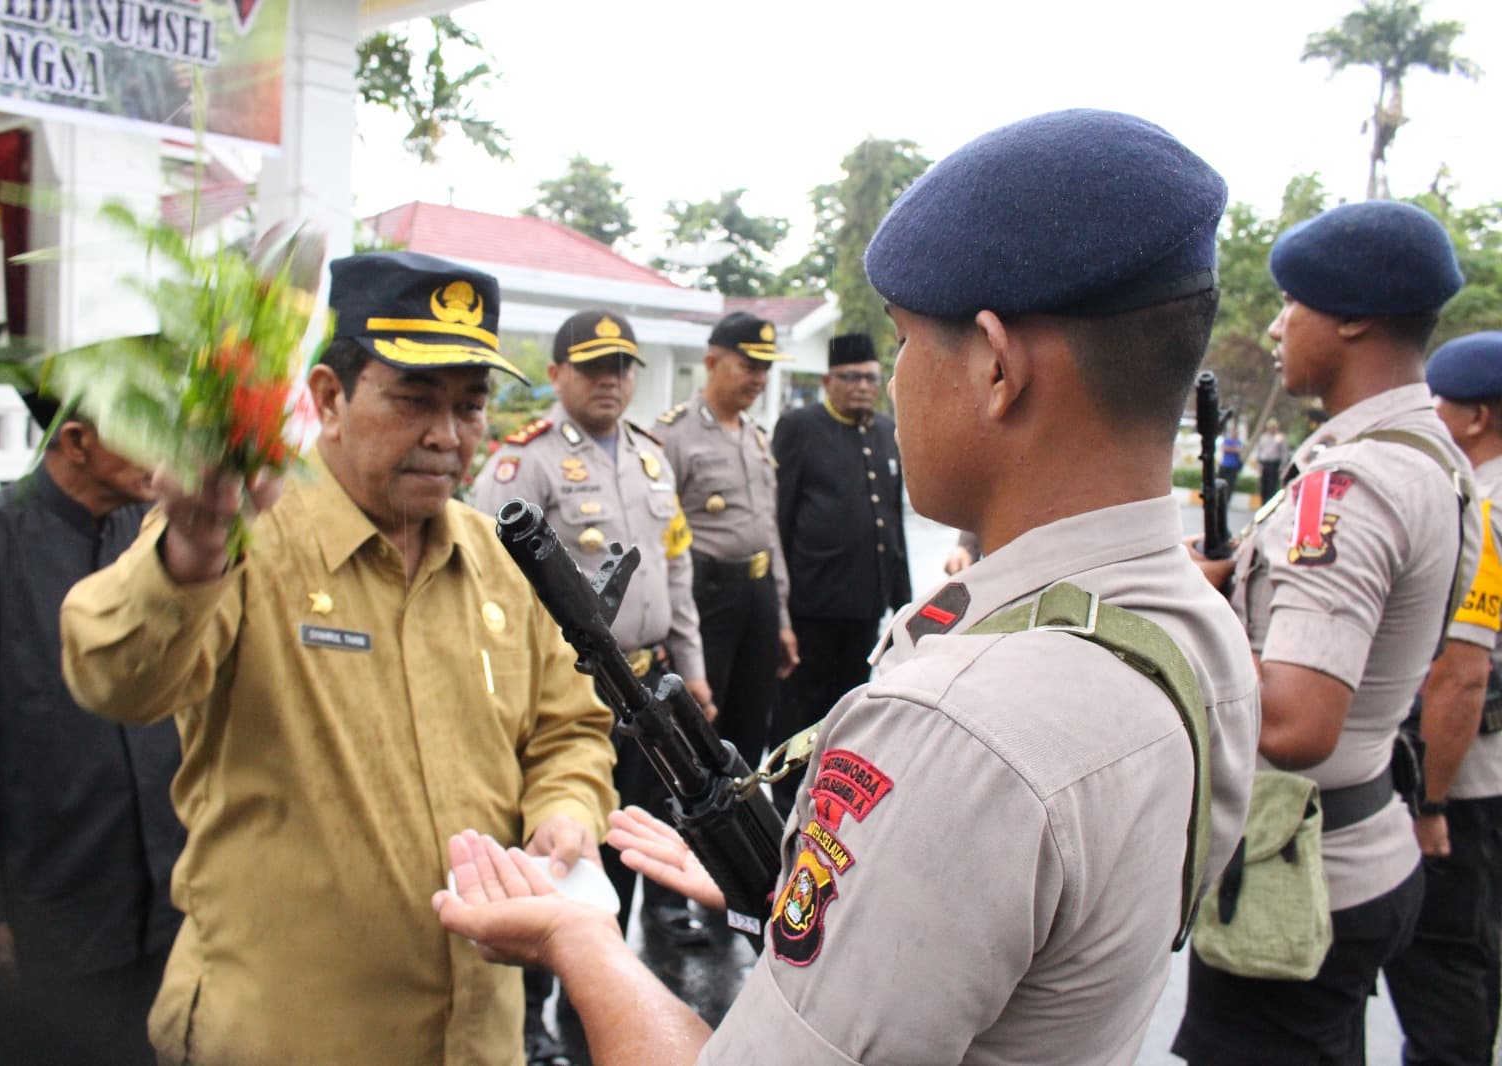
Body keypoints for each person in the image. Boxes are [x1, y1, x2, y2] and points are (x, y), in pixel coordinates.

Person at [433, 108, 1260, 1065]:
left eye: (908, 342)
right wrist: (823, 889)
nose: (894, 380)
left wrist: (580, 938)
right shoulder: (1194, 628)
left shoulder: (958, 728)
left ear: (996, 367)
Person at [59, 252, 618, 1066]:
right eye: (414, 400)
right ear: (328, 398)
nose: (447, 436)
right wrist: (188, 551)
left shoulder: (501, 566)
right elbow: (115, 677)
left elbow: (569, 729)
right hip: (287, 1036)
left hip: (477, 1035)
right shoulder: (242, 541)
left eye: (470, 406)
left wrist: (565, 812)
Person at [1173, 200, 1474, 1065]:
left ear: (1351, 317)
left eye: (1291, 303)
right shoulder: (1433, 460)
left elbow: (1297, 725)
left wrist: (1192, 615)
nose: (1274, 326)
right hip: (1363, 841)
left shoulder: (1347, 486)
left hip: (1300, 879)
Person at [471, 308, 712, 1057]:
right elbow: (490, 591)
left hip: (650, 690)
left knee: (637, 845)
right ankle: (536, 1024)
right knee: (563, 859)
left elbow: (675, 567)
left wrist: (693, 669)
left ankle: (609, 1007)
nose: (611, 381)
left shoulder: (650, 456)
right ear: (555, 375)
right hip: (567, 694)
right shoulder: (524, 464)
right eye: (593, 366)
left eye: (622, 367)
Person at [0, 394, 179, 1065]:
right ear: (78, 441)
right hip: (56, 902)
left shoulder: (146, 542)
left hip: (163, 892)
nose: (163, 453)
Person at [1383, 331, 1502, 1065]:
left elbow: (1461, 675)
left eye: (1438, 404)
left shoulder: (1481, 514)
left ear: (1477, 419)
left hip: (1462, 782)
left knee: (1447, 980)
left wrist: (1429, 804)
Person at [769, 332, 909, 814]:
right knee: (798, 714)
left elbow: (892, 522)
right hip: (810, 607)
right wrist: (780, 610)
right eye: (850, 377)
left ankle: (833, 803)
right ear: (828, 380)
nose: (862, 387)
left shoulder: (884, 431)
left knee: (851, 712)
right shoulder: (800, 427)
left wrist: (903, 601)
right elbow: (779, 519)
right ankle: (788, 805)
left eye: (871, 377)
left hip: (864, 607)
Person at [658, 311, 798, 776]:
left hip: (757, 597)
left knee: (751, 722)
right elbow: (658, 537)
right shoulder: (673, 435)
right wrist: (667, 626)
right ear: (712, 361)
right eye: (749, 366)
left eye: (765, 368)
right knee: (699, 727)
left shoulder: (758, 437)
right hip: (707, 595)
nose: (759, 378)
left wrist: (779, 616)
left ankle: (741, 831)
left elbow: (769, 532)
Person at [1253, 418, 1290, 501]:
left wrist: (1282, 465)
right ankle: (1263, 502)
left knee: (1272, 485)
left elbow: (1284, 452)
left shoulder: (1280, 437)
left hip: (1274, 464)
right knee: (1263, 485)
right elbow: (1259, 450)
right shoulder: (1263, 437)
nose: (1272, 429)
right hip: (1264, 463)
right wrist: (1258, 463)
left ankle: (1269, 502)